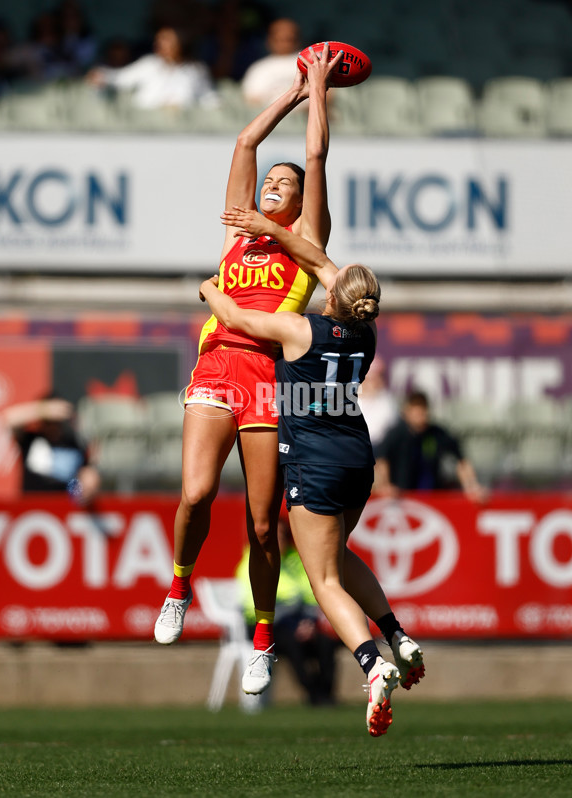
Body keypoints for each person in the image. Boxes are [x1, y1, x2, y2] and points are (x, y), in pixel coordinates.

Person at [153, 44, 342, 699]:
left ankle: (263, 637)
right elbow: (244, 139)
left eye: (284, 185)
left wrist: (320, 92)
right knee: (197, 494)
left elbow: (316, 157)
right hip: (218, 364)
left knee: (265, 524)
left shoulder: (304, 242)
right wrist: (290, 92)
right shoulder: (240, 229)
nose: (274, 184)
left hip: (267, 376)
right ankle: (179, 583)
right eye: (271, 180)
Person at [200, 208, 425, 736]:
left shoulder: (300, 329)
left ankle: (373, 665)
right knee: (338, 558)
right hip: (356, 457)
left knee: (322, 579)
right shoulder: (367, 335)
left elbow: (235, 318)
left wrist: (208, 288)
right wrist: (281, 233)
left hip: (314, 461)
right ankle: (396, 633)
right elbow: (325, 266)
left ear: (331, 296)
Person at [236, 517, 338, 706]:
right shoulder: (253, 559)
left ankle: (327, 694)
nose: (279, 539)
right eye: (275, 534)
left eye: (283, 535)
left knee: (326, 643)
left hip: (298, 622)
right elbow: (253, 606)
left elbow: (310, 594)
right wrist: (293, 623)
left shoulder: (295, 559)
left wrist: (307, 622)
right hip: (264, 626)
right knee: (293, 644)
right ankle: (313, 694)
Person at [375, 389, 487, 501]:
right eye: (416, 412)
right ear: (406, 412)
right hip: (402, 498)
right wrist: (385, 485)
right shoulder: (396, 434)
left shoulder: (437, 434)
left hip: (432, 497)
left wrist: (471, 487)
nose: (420, 416)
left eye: (422, 411)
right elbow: (381, 460)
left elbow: (461, 461)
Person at [86, 26, 219, 110]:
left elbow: (208, 98)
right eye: (159, 41)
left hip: (183, 131)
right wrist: (101, 74)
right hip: (148, 129)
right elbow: (121, 78)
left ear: (180, 44)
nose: (161, 45)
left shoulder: (196, 70)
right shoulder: (149, 64)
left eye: (167, 41)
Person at [2, 392, 100, 505]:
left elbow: (83, 478)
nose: (53, 425)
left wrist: (87, 483)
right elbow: (7, 419)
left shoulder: (74, 444)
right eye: (49, 421)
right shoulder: (31, 439)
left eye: (56, 421)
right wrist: (44, 410)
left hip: (65, 507)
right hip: (31, 505)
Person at [241, 18, 302, 107]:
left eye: (288, 39)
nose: (284, 43)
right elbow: (251, 101)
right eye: (279, 39)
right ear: (269, 40)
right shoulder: (258, 68)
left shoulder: (311, 62)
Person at [357, 357, 399, 450]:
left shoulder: (387, 403)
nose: (370, 383)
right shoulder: (348, 399)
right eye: (368, 378)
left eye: (376, 378)